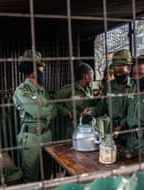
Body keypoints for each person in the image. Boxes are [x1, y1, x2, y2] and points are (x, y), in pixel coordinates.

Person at [13, 49, 57, 182]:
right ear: (34, 70)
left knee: (47, 173)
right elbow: (37, 112)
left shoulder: (42, 89)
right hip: (31, 137)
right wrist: (46, 110)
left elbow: (54, 110)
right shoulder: (22, 91)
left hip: (47, 135)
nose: (43, 70)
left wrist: (46, 112)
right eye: (41, 67)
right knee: (31, 176)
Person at [82, 49, 136, 146]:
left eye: (121, 71)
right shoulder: (109, 86)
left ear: (129, 69)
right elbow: (102, 106)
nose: (118, 74)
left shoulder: (136, 87)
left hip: (130, 133)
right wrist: (91, 111)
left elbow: (137, 112)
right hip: (112, 131)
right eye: (116, 72)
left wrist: (122, 125)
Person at [53, 61, 96, 139]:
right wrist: (66, 112)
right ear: (85, 76)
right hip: (75, 127)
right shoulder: (69, 90)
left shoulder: (89, 89)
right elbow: (52, 102)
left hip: (89, 126)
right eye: (92, 74)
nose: (93, 78)